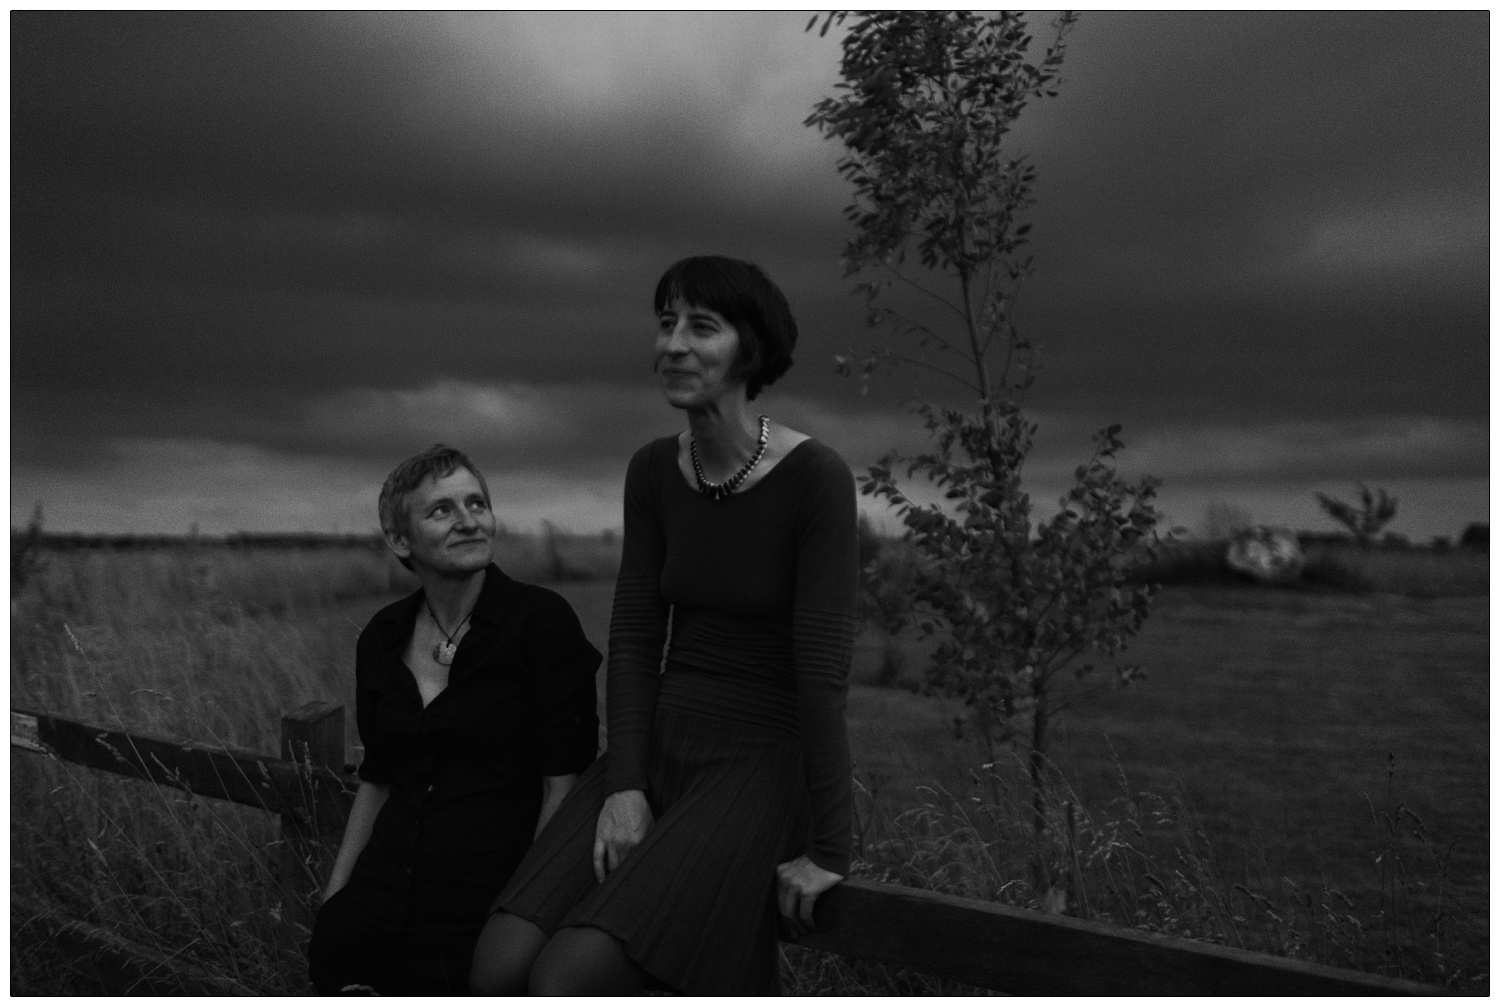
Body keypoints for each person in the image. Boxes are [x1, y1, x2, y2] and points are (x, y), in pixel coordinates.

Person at [469, 256, 858, 995]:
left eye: (701, 327)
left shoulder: (817, 478)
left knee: (567, 977)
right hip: (658, 747)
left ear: (751, 349)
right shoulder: (651, 470)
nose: (673, 344)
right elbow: (637, 639)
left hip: (758, 761)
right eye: (666, 323)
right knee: (498, 962)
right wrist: (625, 783)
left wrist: (832, 847)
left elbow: (823, 673)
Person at [307, 444, 601, 995]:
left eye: (477, 503)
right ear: (400, 541)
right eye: (442, 510)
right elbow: (378, 782)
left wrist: (516, 920)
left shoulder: (541, 625)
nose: (469, 521)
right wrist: (335, 900)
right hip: (376, 906)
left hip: (484, 913)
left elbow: (562, 789)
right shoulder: (382, 637)